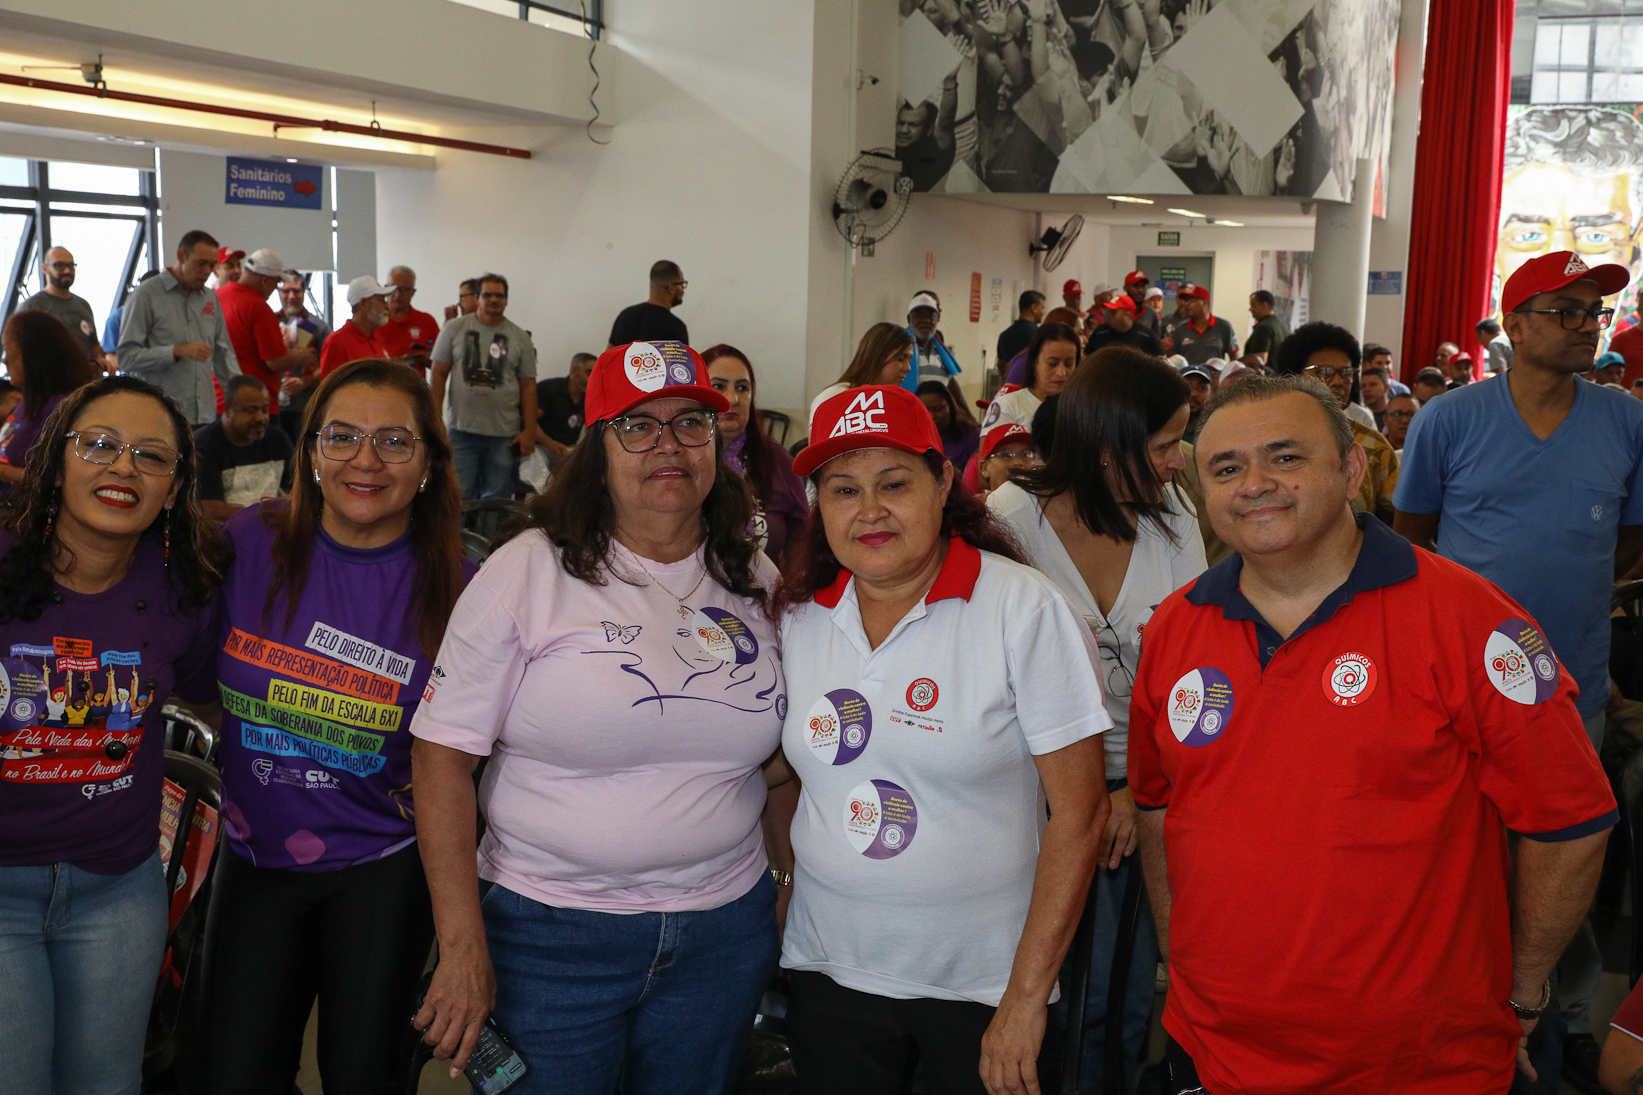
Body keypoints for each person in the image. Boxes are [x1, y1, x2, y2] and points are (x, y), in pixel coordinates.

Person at [1132, 372, 1617, 1095]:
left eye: (1285, 457)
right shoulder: (1174, 626)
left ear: (1352, 468)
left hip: (1415, 1062)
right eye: (1225, 467)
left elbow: (1569, 820)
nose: (1254, 483)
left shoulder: (1470, 620)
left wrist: (1520, 991)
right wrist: (1178, 958)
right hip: (1217, 1048)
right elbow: (1157, 805)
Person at [409, 341, 786, 1091]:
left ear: (718, 442)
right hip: (549, 933)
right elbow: (440, 757)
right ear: (597, 445)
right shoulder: (530, 568)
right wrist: (461, 946)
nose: (668, 446)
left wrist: (784, 886)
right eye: (637, 426)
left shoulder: (754, 577)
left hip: (721, 930)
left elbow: (779, 766)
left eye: (690, 424)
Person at [775, 382, 1111, 1095]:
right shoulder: (799, 619)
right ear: (817, 505)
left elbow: (1079, 816)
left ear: (940, 483)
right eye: (842, 489)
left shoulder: (1023, 609)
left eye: (893, 483)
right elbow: (784, 778)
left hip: (982, 986)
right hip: (829, 972)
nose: (869, 509)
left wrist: (1023, 999)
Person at [1395, 252, 1643, 1090]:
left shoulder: (1621, 420)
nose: (1585, 324)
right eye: (1565, 308)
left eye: (1592, 311)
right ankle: (1456, 1014)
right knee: (1460, 865)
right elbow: (1413, 539)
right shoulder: (1449, 420)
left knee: (1564, 865)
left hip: (1571, 688)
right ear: (1514, 325)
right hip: (1459, 692)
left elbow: (1628, 541)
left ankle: (1564, 1018)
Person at [201, 357, 474, 1094]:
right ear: (311, 450)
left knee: (363, 1074)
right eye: (343, 436)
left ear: (428, 461)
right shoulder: (249, 543)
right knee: (233, 1076)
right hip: (252, 859)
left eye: (393, 441)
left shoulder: (466, 586)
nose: (365, 459)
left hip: (381, 867)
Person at [0, 373, 226, 1095]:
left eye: (151, 455)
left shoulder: (182, 588)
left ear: (174, 485)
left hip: (117, 888)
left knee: (107, 1084)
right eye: (99, 445)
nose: (123, 466)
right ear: (55, 459)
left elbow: (212, 699)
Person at [990, 348, 1206, 1089]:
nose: (1178, 464)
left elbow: (1192, 668)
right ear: (1108, 445)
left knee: (1121, 981)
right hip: (1036, 787)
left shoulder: (1171, 517)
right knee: (1045, 980)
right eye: (1164, 445)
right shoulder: (1010, 520)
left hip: (1147, 783)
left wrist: (1134, 788)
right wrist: (1089, 793)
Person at [1273, 322, 1400, 524]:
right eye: (1324, 372)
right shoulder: (1268, 438)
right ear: (1293, 376)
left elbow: (1397, 524)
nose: (1338, 381)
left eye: (1347, 373)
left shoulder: (1372, 447)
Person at [117, 228, 240, 426]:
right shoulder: (146, 295)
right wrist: (175, 351)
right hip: (160, 416)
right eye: (201, 264)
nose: (207, 271)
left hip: (204, 415)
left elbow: (224, 354)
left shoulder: (210, 298)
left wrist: (240, 394)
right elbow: (126, 357)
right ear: (181, 256)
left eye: (212, 265)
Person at [432, 273, 538, 501]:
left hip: (504, 435)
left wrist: (529, 431)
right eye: (487, 295)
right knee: (458, 496)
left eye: (499, 295)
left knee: (497, 500)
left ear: (506, 300)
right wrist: (433, 420)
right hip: (462, 431)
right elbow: (438, 374)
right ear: (477, 298)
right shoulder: (453, 329)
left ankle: (492, 539)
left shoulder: (520, 338)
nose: (493, 300)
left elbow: (529, 386)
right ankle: (457, 538)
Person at [704, 343, 808, 560]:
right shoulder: (682, 458)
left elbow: (802, 542)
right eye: (718, 387)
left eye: (742, 388)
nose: (733, 399)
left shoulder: (777, 460)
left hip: (764, 590)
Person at [0, 309, 99, 490]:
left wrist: (7, 473)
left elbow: (64, 479)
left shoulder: (62, 409)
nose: (5, 360)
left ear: (32, 356)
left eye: (8, 350)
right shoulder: (31, 400)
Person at [217, 248, 317, 404]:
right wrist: (301, 357)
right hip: (254, 402)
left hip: (221, 398)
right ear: (265, 280)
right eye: (276, 283)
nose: (274, 291)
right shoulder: (259, 307)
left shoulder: (218, 297)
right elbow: (275, 362)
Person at [192, 373, 294, 523]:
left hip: (271, 527)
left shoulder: (277, 439)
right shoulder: (203, 445)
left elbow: (298, 489)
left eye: (265, 410)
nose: (260, 418)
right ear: (227, 409)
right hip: (221, 534)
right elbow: (208, 509)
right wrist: (270, 512)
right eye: (251, 410)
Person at [808, 322, 914, 427]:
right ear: (876, 357)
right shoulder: (834, 397)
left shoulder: (899, 404)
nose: (907, 368)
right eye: (900, 359)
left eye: (909, 360)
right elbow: (818, 441)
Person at [983, 321, 1080, 434]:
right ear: (1034, 361)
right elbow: (987, 450)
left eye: (1069, 364)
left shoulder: (1082, 408)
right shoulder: (1008, 405)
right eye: (1052, 363)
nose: (1061, 373)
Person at [22, 246, 104, 367]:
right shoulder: (31, 307)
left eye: (71, 266)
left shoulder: (83, 305)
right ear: (45, 268)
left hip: (88, 380)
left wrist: (101, 359)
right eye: (59, 265)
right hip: (54, 382)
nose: (67, 271)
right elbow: (25, 353)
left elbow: (93, 344)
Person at [276, 272, 329, 441]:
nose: (291, 296)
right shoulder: (268, 322)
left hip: (306, 406)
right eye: (286, 291)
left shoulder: (319, 327)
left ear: (304, 292)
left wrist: (304, 382)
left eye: (297, 291)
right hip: (273, 407)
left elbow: (329, 366)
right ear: (278, 292)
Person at [905, 292, 970, 421]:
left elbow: (950, 384)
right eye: (919, 315)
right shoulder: (901, 349)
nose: (926, 320)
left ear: (938, 318)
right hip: (910, 420)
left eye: (931, 316)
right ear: (909, 319)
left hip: (940, 424)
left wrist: (968, 416)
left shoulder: (942, 351)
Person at [320, 275, 392, 379]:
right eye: (380, 300)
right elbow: (329, 388)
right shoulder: (337, 343)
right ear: (363, 304)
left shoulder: (378, 338)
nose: (387, 306)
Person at [377, 264, 441, 376]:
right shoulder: (374, 320)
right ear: (386, 289)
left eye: (404, 289)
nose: (397, 294)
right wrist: (398, 361)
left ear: (413, 293)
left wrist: (419, 359)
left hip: (414, 387)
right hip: (379, 385)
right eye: (393, 288)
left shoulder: (426, 321)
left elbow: (440, 363)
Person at [608, 260, 689, 346]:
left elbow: (608, 357)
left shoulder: (625, 316)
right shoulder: (676, 327)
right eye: (681, 284)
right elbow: (682, 359)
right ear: (671, 288)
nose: (683, 288)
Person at [896, 80, 957, 190]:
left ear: (929, 129)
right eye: (901, 123)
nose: (904, 130)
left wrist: (950, 83)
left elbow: (946, 122)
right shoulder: (889, 147)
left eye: (913, 125)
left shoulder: (936, 149)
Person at [535, 351, 595, 462]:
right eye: (589, 372)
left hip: (568, 450)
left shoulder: (592, 398)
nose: (593, 378)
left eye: (595, 374)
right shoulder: (548, 389)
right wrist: (550, 443)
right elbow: (529, 422)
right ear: (574, 371)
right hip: (540, 448)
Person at [1161, 286, 1238, 364]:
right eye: (1186, 300)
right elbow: (1171, 358)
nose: (1186, 304)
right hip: (1187, 375)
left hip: (1214, 375)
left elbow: (1234, 358)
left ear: (1205, 303)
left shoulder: (1223, 326)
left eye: (1191, 300)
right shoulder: (1181, 328)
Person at [917, 378, 981, 469]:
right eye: (925, 411)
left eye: (938, 409)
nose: (932, 416)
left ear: (950, 408)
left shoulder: (972, 438)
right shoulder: (913, 441)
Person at [1086, 295, 1163, 356]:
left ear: (1128, 315)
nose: (1108, 316)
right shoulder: (1100, 332)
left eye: (1113, 312)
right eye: (1108, 311)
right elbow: (1086, 356)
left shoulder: (1146, 335)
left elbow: (1162, 360)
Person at [974, 422, 1038, 494]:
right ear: (985, 468)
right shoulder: (974, 505)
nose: (1018, 462)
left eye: (1026, 455)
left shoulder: (1047, 503)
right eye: (1006, 455)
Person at [997, 289, 1045, 369]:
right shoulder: (1040, 334)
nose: (1043, 312)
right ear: (1034, 308)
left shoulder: (1004, 335)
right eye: (1042, 308)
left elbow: (1001, 365)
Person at [1244, 289, 1288, 363]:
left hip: (1266, 374)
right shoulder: (1279, 326)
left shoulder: (1263, 328)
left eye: (1253, 305)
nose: (1250, 309)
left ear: (1264, 305)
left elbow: (1260, 360)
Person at [1179, 362, 1213, 444]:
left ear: (1211, 393)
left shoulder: (1218, 430)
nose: (1193, 393)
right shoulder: (1162, 430)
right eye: (1186, 386)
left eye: (1201, 388)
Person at [1361, 363, 1393, 429]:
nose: (1367, 389)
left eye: (1373, 384)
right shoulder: (1360, 415)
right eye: (1363, 386)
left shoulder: (1394, 415)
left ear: (1386, 387)